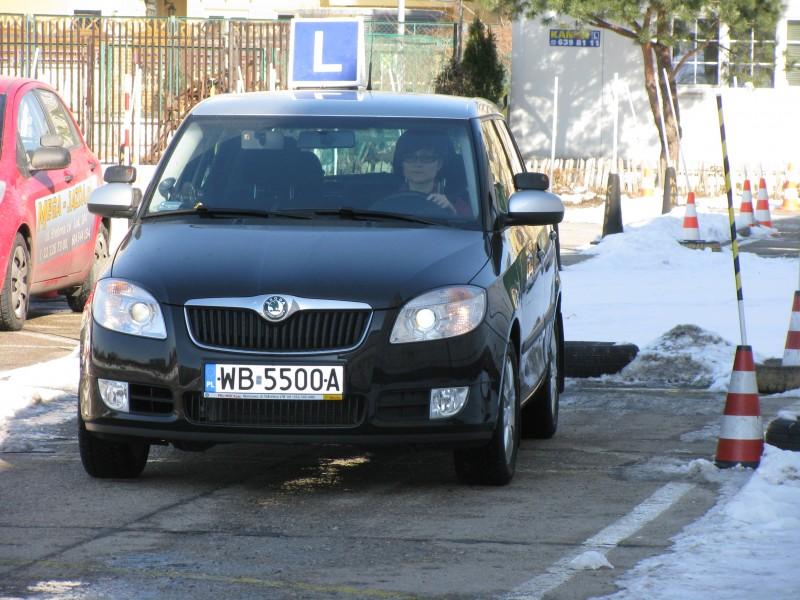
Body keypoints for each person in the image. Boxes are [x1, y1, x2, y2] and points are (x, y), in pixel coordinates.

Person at [390, 129, 471, 216]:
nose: (418, 164)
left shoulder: (456, 204)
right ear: (402, 163)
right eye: (410, 157)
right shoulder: (387, 202)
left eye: (426, 158)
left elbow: (469, 227)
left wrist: (453, 214)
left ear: (439, 164)